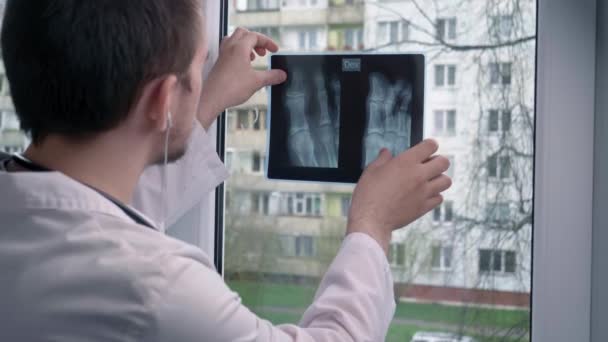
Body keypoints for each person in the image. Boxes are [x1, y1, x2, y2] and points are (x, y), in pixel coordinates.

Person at [0, 1, 452, 341]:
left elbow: (100, 216)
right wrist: (371, 226)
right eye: (200, 67)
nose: (203, 78)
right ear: (161, 100)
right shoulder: (154, 288)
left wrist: (205, 99)